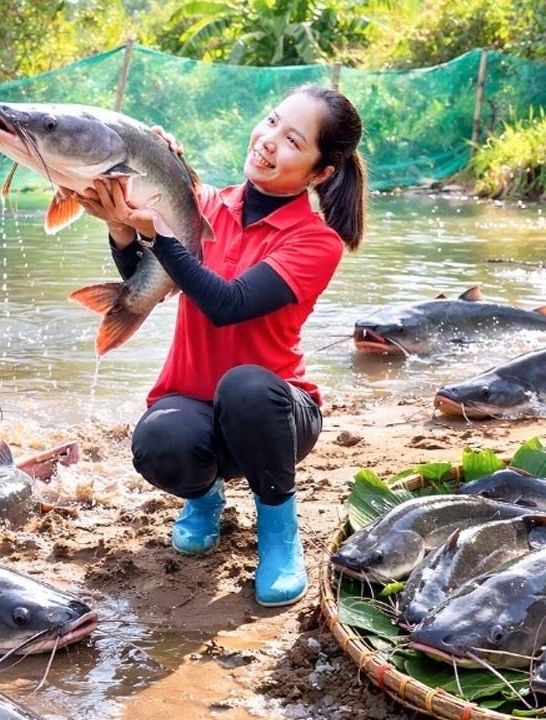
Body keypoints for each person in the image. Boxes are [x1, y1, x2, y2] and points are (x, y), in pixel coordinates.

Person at [70, 84, 366, 607]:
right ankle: (204, 500)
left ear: (321, 173)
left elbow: (227, 304)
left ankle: (279, 533)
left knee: (247, 385)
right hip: (192, 403)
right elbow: (150, 282)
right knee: (160, 441)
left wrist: (161, 234)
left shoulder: (316, 241)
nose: (270, 140)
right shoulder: (204, 204)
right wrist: (122, 225)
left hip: (276, 418)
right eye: (272, 121)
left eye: (293, 140)